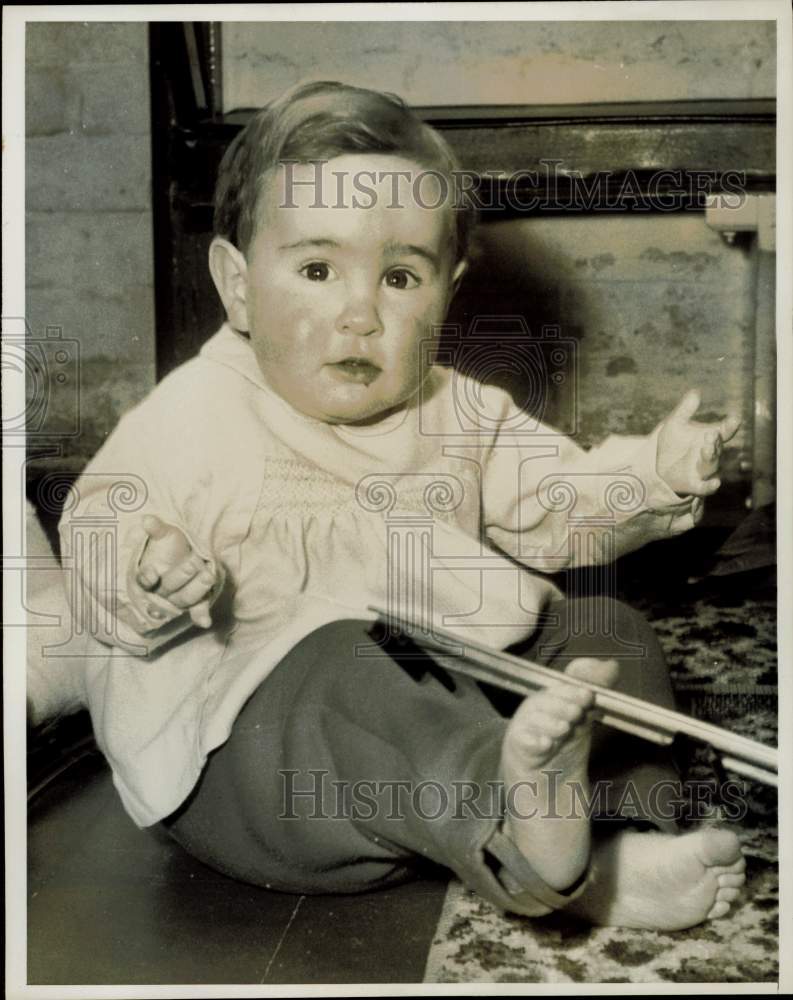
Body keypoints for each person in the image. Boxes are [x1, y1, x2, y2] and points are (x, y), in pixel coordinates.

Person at [55, 81, 745, 931]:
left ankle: (610, 848)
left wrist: (653, 474)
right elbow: (100, 523)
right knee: (348, 662)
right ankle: (520, 823)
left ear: (446, 291)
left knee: (606, 632)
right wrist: (148, 571)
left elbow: (557, 503)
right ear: (237, 285)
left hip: (442, 701)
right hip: (249, 765)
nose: (358, 314)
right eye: (316, 269)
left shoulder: (458, 410)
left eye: (398, 276)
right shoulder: (194, 414)